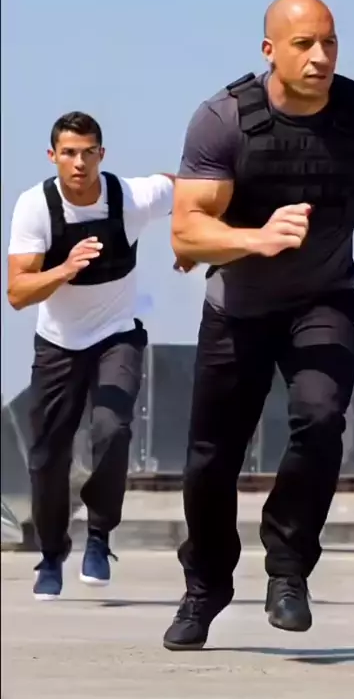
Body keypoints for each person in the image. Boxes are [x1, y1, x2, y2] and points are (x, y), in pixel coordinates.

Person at [164, 0, 354, 650]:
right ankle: (205, 587)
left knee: (321, 419)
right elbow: (186, 234)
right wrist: (255, 239)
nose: (320, 56)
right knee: (211, 458)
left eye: (330, 42)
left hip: (322, 302)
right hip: (237, 310)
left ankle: (288, 571)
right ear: (270, 51)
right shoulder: (224, 120)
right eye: (303, 44)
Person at [7, 111, 174, 601]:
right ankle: (51, 555)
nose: (79, 163)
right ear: (52, 156)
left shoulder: (131, 198)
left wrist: (189, 243)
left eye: (88, 153)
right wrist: (64, 269)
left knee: (112, 427)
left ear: (102, 154)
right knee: (47, 455)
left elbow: (190, 188)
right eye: (69, 153)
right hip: (58, 344)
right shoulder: (35, 207)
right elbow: (17, 293)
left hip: (116, 336)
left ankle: (99, 536)